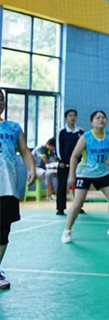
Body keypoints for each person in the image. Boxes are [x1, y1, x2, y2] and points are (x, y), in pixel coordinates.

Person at [62, 111, 109, 243]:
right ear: (92, 122)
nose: (101, 120)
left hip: (102, 173)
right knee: (78, 203)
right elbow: (74, 156)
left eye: (103, 118)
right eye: (98, 118)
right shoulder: (86, 137)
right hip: (84, 173)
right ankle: (67, 231)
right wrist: (72, 176)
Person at [0, 89, 36, 289]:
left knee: (3, 231)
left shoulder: (13, 127)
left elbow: (24, 151)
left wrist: (32, 168)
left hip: (7, 188)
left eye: (1, 99)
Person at [56, 109, 84, 215]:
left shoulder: (81, 132)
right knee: (62, 185)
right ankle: (60, 208)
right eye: (70, 115)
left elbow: (84, 148)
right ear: (66, 118)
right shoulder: (61, 132)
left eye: (74, 115)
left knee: (79, 186)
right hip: (64, 164)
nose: (72, 118)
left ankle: (78, 206)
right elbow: (58, 147)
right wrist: (61, 160)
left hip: (78, 164)